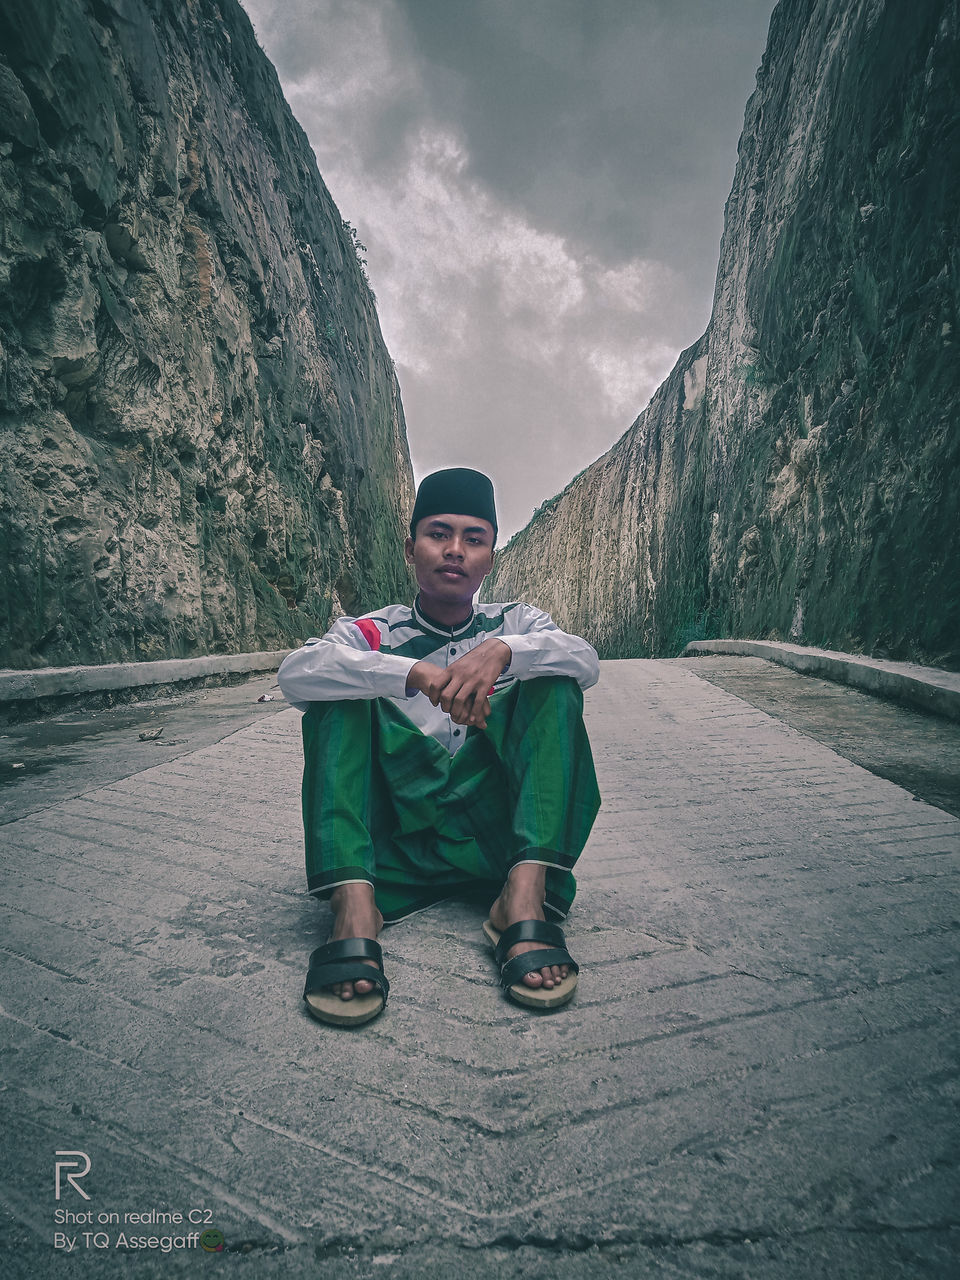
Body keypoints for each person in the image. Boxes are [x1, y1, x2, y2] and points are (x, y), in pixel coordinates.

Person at [278, 467, 601, 1026]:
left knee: (555, 680)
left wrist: (506, 652)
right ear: (411, 547)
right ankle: (354, 907)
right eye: (438, 534)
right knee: (340, 685)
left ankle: (519, 899)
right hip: (398, 839)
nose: (455, 551)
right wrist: (409, 673)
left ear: (491, 557)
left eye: (474, 539)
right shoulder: (371, 632)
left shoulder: (518, 622)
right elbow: (295, 675)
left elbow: (585, 660)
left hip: (493, 840)